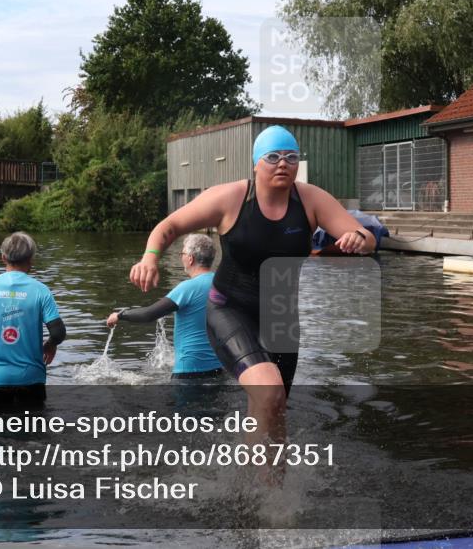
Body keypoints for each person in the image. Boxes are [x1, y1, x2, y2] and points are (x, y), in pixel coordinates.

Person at [129, 125, 375, 447]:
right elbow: (169, 226)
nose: (283, 163)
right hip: (230, 308)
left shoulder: (311, 200)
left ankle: (268, 487)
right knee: (268, 389)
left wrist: (359, 239)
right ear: (256, 163)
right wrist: (150, 258)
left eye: (291, 157)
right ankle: (253, 487)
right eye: (273, 157)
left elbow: (366, 237)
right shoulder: (231, 198)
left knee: (276, 407)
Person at [0, 232, 66, 408]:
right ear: (31, 259)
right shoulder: (41, 291)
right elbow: (58, 332)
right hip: (31, 377)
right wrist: (50, 344)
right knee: (34, 431)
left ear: (3, 258)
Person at [106, 233, 224, 380]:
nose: (182, 257)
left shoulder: (187, 288)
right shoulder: (223, 284)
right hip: (218, 369)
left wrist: (120, 315)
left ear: (190, 258)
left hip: (189, 371)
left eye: (182, 253)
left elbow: (148, 314)